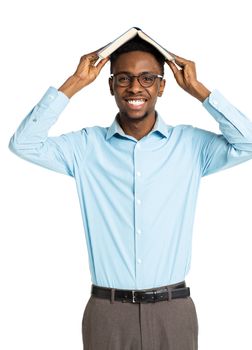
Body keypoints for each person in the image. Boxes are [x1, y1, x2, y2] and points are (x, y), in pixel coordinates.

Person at [9, 35, 252, 350]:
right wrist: (74, 83)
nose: (135, 88)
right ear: (111, 86)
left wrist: (199, 91)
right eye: (124, 78)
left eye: (147, 78)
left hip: (173, 311)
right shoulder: (84, 147)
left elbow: (247, 142)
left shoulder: (191, 146)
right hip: (107, 313)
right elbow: (24, 143)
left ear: (162, 86)